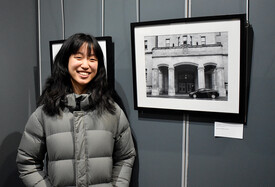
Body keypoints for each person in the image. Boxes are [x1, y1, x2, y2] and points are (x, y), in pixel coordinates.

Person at [16, 33, 136, 187]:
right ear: (65, 61)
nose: (85, 65)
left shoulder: (112, 111)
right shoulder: (45, 113)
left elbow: (126, 156)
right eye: (78, 57)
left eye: (92, 59)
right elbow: (27, 161)